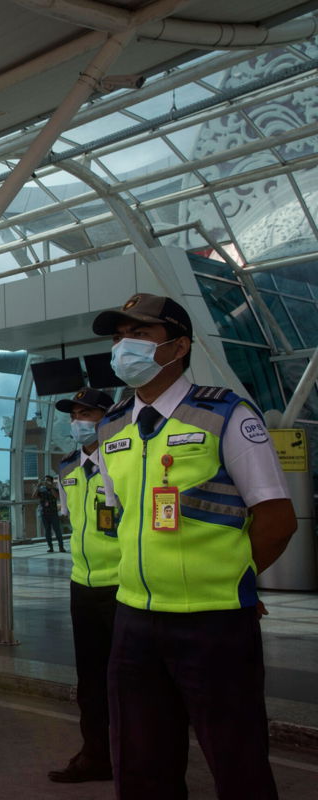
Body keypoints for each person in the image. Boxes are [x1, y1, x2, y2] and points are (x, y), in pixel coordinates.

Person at [93, 293, 296, 799]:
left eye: (140, 334)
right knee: (140, 765)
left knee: (236, 759)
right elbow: (120, 518)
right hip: (134, 620)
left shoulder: (226, 413)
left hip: (214, 622)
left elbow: (276, 518)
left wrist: (236, 577)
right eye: (120, 336)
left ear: (179, 345)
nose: (124, 347)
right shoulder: (111, 426)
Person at [46, 387, 118, 784]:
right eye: (73, 413)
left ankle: (139, 756)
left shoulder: (123, 461)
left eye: (87, 412)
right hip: (83, 587)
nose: (78, 421)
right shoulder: (67, 467)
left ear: (107, 416)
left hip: (125, 588)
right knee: (90, 681)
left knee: (130, 681)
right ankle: (95, 754)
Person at [36, 475, 65, 552]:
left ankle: (61, 547)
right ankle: (50, 547)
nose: (46, 482)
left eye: (48, 480)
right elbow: (34, 496)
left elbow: (56, 496)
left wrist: (51, 487)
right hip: (44, 513)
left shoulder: (54, 489)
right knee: (47, 531)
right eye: (45, 480)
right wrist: (38, 486)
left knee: (57, 530)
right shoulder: (42, 490)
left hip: (53, 513)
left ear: (51, 481)